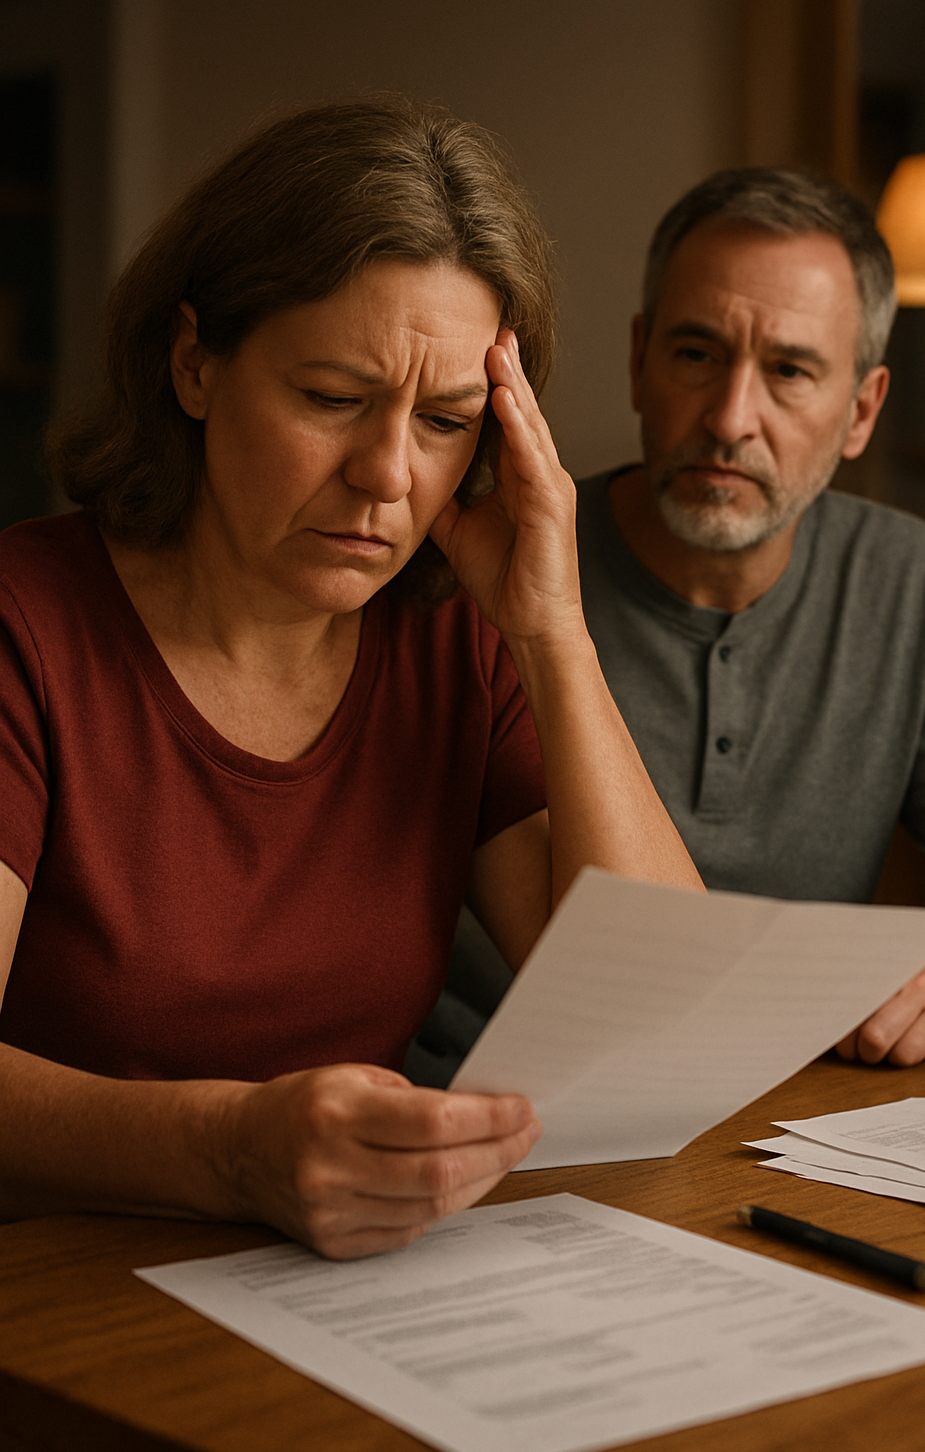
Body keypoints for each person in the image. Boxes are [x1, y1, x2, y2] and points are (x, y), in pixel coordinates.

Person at [0, 101, 700, 1260]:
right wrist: (230, 1149)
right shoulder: (25, 627)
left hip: (342, 1289)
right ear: (194, 364)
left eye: (446, 422)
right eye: (332, 399)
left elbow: (667, 1033)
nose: (387, 474)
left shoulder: (452, 646)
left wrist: (555, 635)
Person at [573, 165, 925, 1069]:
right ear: (638, 361)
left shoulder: (914, 584)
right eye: (696, 354)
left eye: (788, 371)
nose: (730, 418)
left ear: (861, 410)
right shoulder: (505, 567)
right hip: (486, 1104)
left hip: (797, 1104)